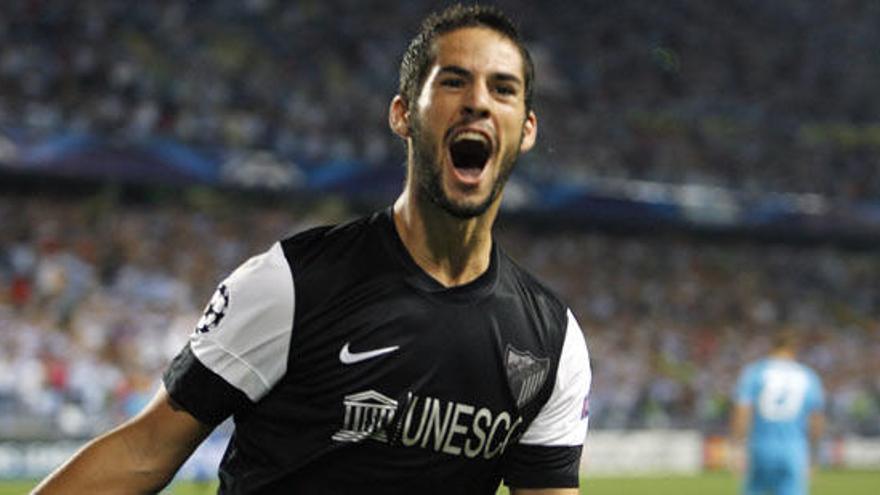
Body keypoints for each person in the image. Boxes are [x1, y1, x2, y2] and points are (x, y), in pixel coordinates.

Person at [31, 4, 592, 495]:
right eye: (452, 81)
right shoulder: (293, 283)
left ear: (526, 129)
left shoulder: (552, 341)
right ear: (403, 114)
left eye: (503, 88)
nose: (478, 103)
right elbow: (146, 451)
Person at [730, 329, 825, 495]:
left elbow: (742, 411)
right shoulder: (808, 375)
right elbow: (816, 419)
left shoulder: (755, 372)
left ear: (772, 346)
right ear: (794, 348)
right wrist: (815, 454)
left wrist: (737, 446)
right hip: (794, 449)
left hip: (760, 447)